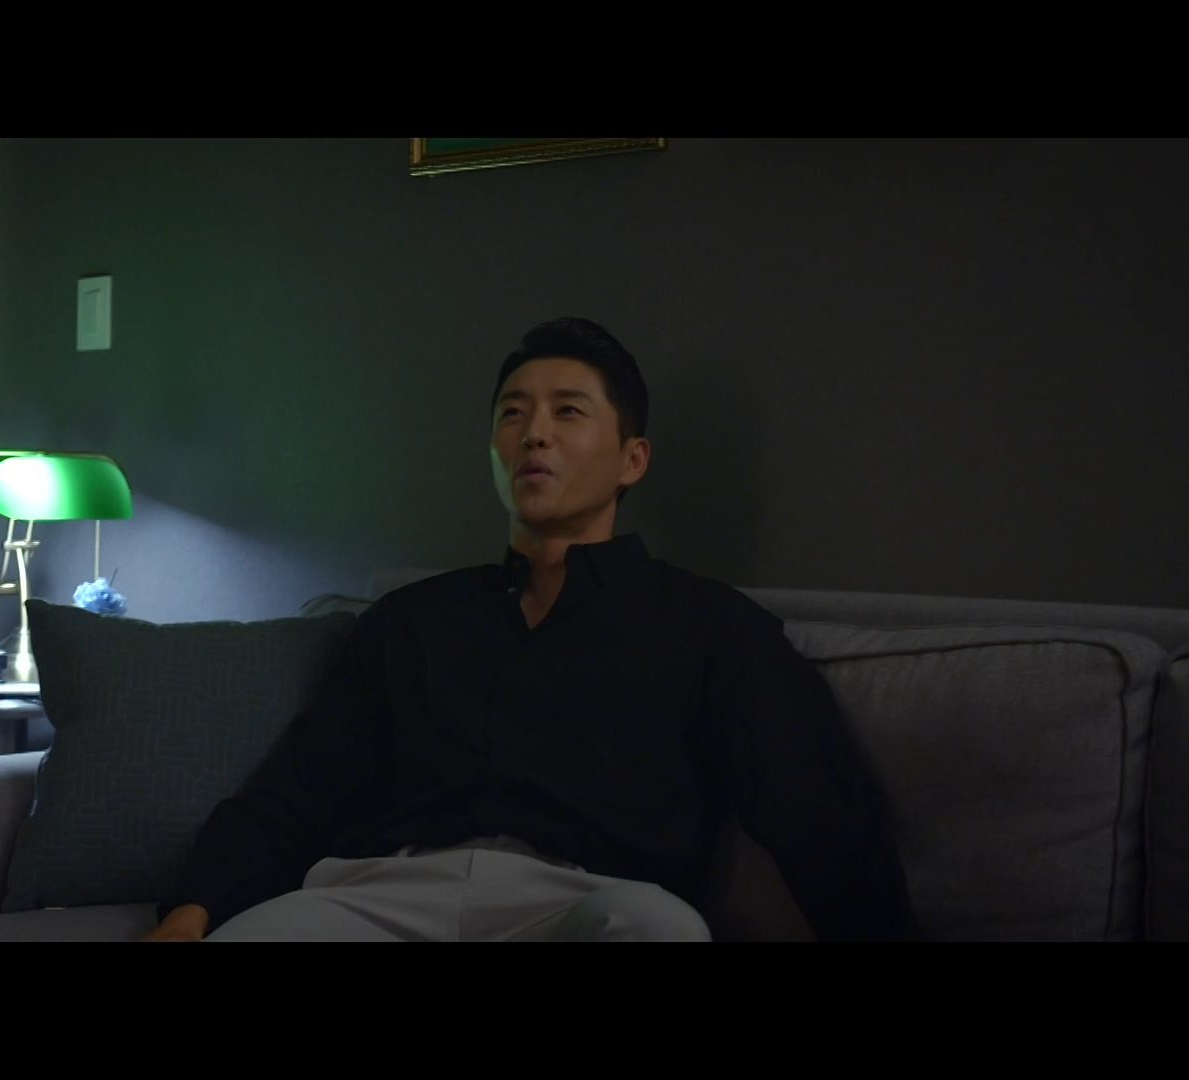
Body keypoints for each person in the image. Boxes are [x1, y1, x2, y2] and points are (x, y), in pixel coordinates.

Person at [145, 317, 917, 942]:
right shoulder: (410, 621)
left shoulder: (710, 627)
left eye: (567, 412)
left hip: (585, 901)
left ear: (632, 459)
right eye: (512, 414)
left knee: (662, 930)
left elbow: (821, 811)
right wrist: (191, 913)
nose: (533, 434)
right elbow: (294, 792)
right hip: (382, 896)